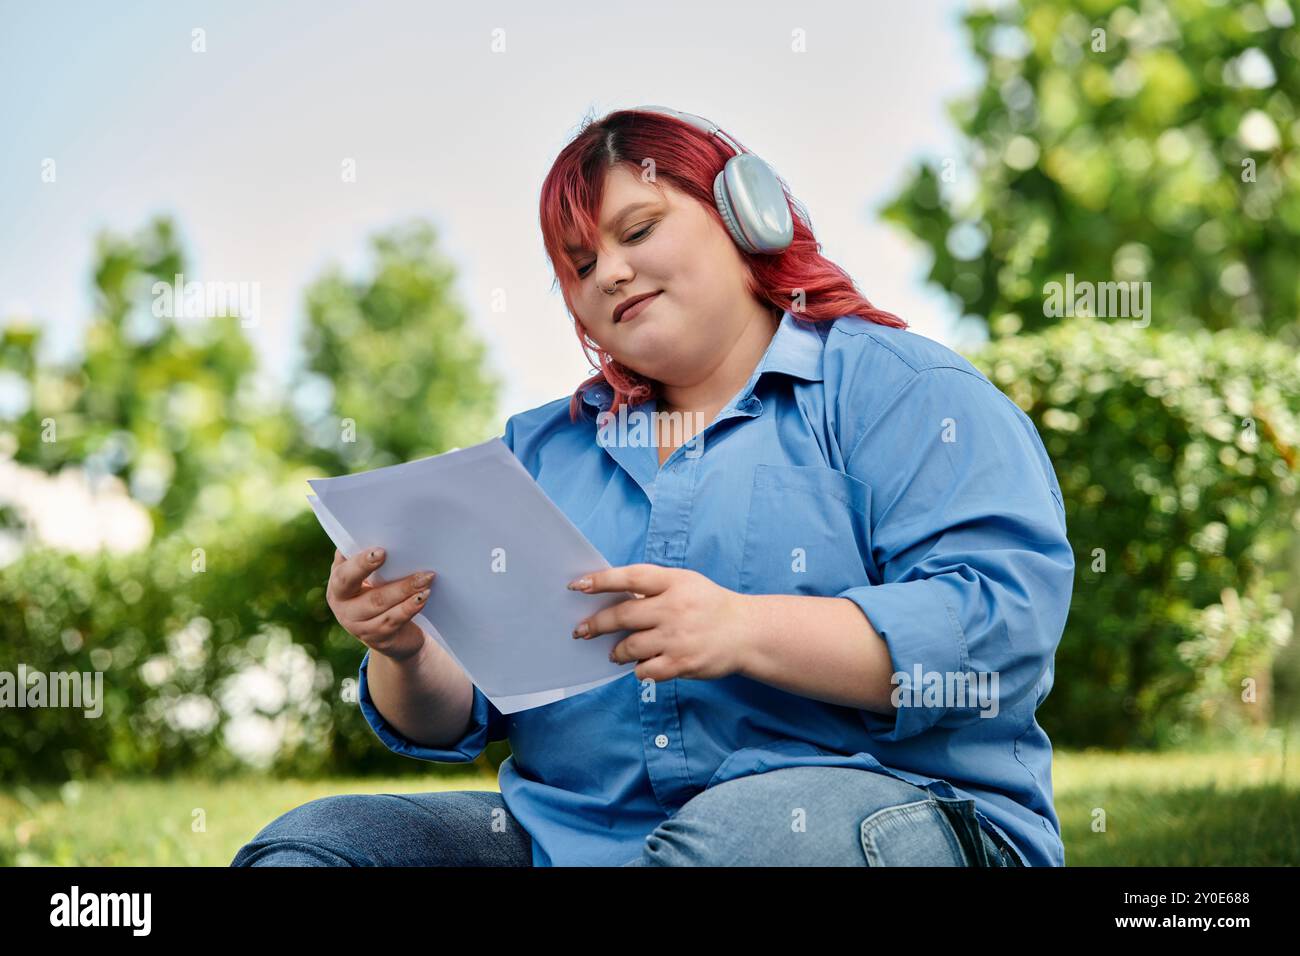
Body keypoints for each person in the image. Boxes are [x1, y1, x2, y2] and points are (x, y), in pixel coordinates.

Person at [232, 106, 1074, 868]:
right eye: (580, 262)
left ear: (750, 213)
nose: (609, 272)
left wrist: (743, 628)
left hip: (879, 823)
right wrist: (405, 648)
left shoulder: (902, 390)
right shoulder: (538, 451)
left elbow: (998, 633)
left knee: (751, 838)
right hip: (574, 843)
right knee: (317, 850)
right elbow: (450, 716)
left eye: (638, 230)